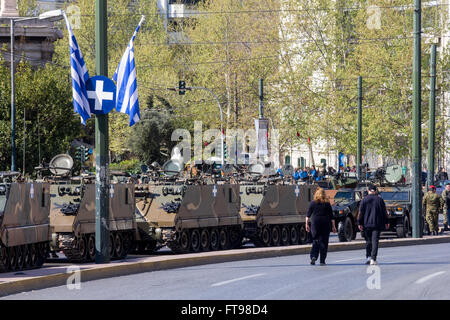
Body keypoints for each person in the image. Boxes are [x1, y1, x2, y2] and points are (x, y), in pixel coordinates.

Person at [358, 184, 389, 265]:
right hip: (377, 224)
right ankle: (373, 258)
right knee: (375, 241)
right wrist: (387, 222)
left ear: (368, 190)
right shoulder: (380, 200)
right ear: (375, 190)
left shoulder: (364, 200)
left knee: (368, 241)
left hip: (366, 224)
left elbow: (361, 213)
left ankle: (368, 257)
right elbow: (384, 213)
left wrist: (359, 223)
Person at [306, 188, 337, 266]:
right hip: (325, 223)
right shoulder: (327, 204)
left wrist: (306, 224)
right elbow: (331, 217)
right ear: (324, 195)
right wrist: (333, 227)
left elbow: (308, 215)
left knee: (316, 240)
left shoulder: (312, 203)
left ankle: (313, 256)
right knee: (324, 242)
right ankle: (322, 261)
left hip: (315, 223)